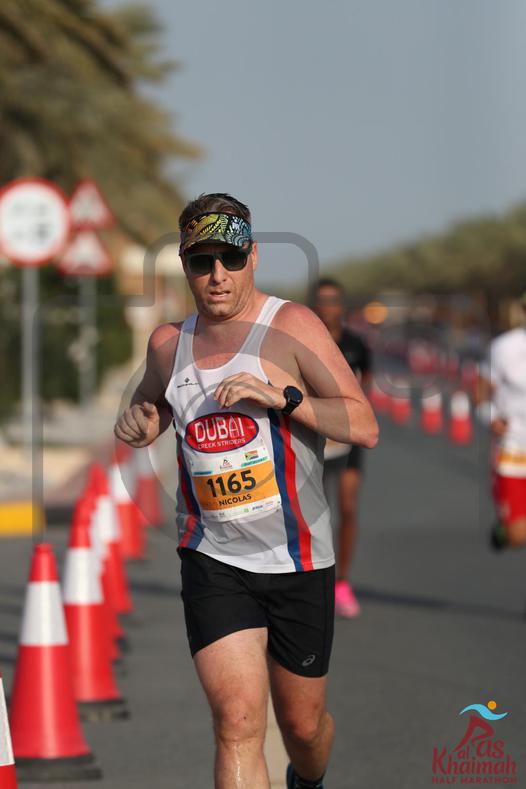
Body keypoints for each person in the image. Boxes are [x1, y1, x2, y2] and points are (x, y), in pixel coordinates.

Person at [115, 193, 378, 789]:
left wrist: (285, 398)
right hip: (213, 557)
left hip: (297, 558)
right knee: (236, 722)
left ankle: (307, 780)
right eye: (202, 262)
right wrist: (141, 420)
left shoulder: (292, 326)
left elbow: (364, 425)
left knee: (303, 729)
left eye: (230, 259)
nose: (218, 276)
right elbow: (153, 407)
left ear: (253, 257)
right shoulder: (167, 344)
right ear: (184, 266)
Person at [312, 279, 373, 618]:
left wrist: (353, 419)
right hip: (315, 440)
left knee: (348, 507)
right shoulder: (306, 341)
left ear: (342, 305)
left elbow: (366, 385)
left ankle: (342, 582)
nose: (328, 306)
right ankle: (315, 580)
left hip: (347, 442)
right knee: (316, 514)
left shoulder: (356, 344)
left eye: (333, 300)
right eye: (322, 300)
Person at [477, 292, 526, 549]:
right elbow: (481, 388)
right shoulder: (504, 347)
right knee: (518, 536)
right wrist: (491, 417)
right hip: (513, 448)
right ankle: (506, 526)